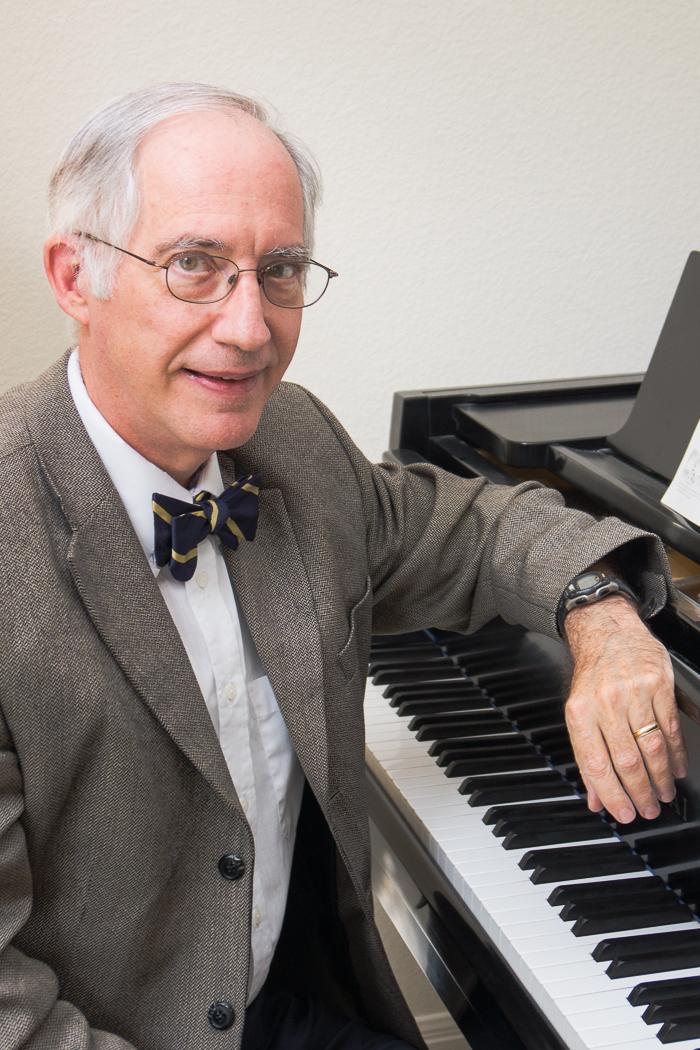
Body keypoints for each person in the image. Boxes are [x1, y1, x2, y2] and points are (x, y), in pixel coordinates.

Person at [0, 82, 686, 1050]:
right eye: (194, 266)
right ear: (76, 276)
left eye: (278, 270)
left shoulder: (294, 445)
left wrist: (602, 617)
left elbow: (482, 526)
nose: (248, 327)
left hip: (292, 1003)